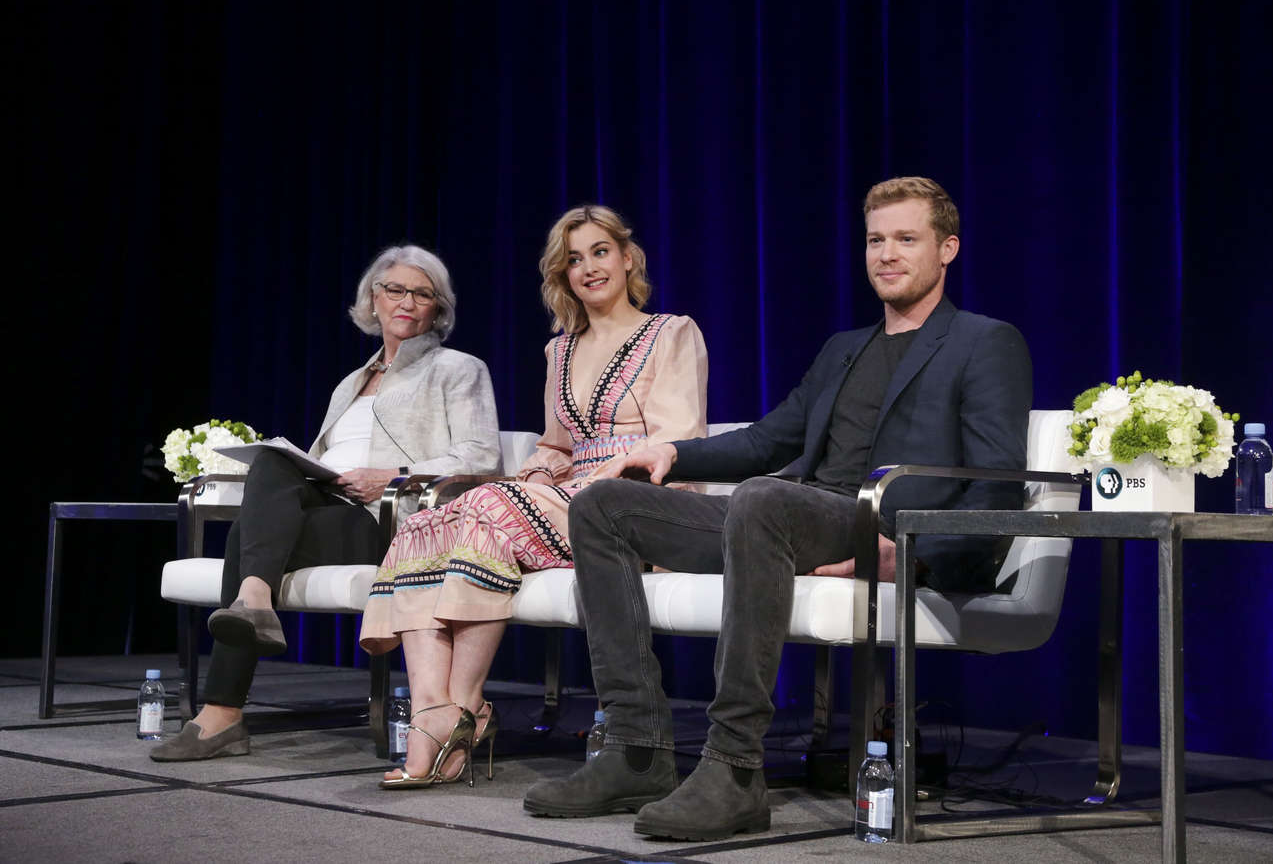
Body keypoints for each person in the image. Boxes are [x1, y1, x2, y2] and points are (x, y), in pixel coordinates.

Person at [523, 177, 1033, 840]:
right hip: (793, 515)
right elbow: (769, 440)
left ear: (948, 249)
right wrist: (672, 454)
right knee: (604, 504)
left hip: (875, 525)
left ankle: (734, 767)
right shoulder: (843, 349)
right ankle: (636, 748)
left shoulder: (984, 341)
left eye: (907, 238)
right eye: (876, 239)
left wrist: (912, 556)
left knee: (764, 498)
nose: (887, 253)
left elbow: (995, 484)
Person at [359, 206, 709, 789]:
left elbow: (674, 443)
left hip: (640, 502)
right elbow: (554, 446)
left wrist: (579, 486)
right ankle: (435, 711)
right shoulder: (560, 350)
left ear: (627, 257)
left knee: (485, 509)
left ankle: (461, 709)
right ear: (562, 275)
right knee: (428, 520)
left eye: (600, 251)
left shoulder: (670, 333)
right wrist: (539, 478)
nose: (589, 267)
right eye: (573, 259)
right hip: (563, 498)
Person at [151, 245, 501, 762]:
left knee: (247, 542)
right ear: (373, 299)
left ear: (437, 308)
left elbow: (480, 455)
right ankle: (253, 603)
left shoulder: (457, 368)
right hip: (329, 503)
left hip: (392, 518)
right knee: (272, 463)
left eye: (422, 293)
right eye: (395, 289)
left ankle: (223, 709)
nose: (407, 301)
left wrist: (393, 475)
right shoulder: (349, 383)